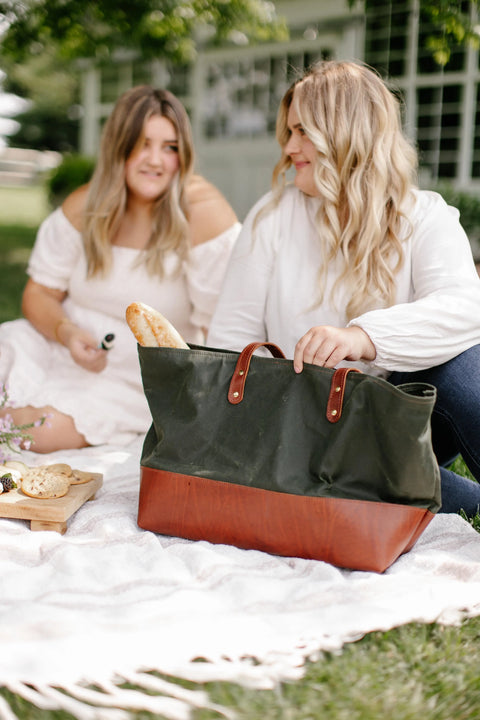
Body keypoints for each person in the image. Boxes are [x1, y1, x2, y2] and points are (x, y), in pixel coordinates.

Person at [207, 60, 480, 517]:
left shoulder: (426, 216)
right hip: (310, 432)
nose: (289, 147)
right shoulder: (272, 217)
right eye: (288, 132)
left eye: (302, 132)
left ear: (345, 133)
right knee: (352, 482)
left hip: (404, 417)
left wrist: (362, 338)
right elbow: (229, 344)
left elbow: (466, 308)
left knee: (466, 365)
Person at [0, 85, 240, 453]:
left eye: (170, 147)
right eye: (142, 144)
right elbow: (40, 293)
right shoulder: (84, 207)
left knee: (27, 430)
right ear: (118, 147)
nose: (155, 160)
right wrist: (66, 332)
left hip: (137, 383)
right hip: (57, 349)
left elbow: (223, 328)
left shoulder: (203, 214)